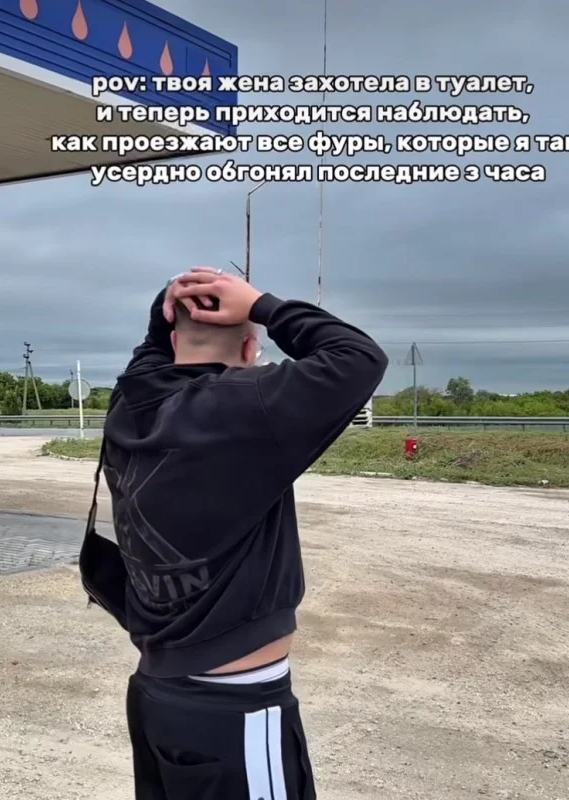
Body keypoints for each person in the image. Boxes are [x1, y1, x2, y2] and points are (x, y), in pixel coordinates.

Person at [81, 267, 388, 799]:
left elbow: (155, 348)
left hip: (157, 696)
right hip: (234, 708)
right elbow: (359, 358)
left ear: (172, 339)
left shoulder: (131, 401)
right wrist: (262, 304)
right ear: (250, 348)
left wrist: (184, 300)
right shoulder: (250, 407)